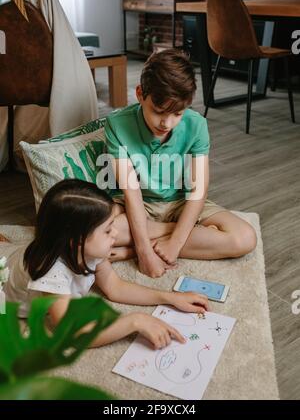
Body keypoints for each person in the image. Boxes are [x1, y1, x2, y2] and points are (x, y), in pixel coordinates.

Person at [3, 179, 209, 350]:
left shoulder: (89, 248)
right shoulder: (50, 272)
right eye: (108, 230)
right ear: (78, 241)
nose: (116, 234)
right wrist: (134, 321)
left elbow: (115, 287)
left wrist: (169, 297)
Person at [104, 49, 257, 278]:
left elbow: (198, 190)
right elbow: (132, 192)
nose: (166, 123)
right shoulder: (116, 124)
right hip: (139, 205)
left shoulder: (197, 125)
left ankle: (133, 248)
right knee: (102, 234)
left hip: (181, 203)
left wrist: (175, 243)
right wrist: (145, 254)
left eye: (177, 114)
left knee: (245, 238)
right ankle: (187, 236)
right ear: (140, 94)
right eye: (157, 111)